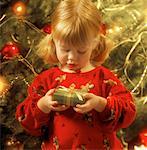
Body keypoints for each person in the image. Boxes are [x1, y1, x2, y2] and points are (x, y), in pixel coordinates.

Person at [16, 0, 136, 149]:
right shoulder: (46, 80)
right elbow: (26, 121)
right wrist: (44, 104)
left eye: (81, 51)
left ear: (95, 43)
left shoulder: (104, 78)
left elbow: (128, 111)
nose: (72, 57)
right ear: (54, 42)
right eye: (65, 50)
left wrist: (100, 103)